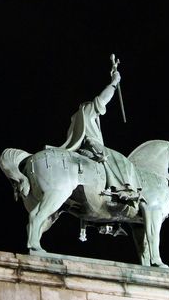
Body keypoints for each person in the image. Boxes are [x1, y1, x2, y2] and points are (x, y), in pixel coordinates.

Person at [56, 69, 141, 202]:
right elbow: (102, 99)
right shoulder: (87, 111)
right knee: (120, 159)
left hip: (84, 148)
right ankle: (124, 190)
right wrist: (114, 82)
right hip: (93, 145)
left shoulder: (75, 119)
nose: (97, 115)